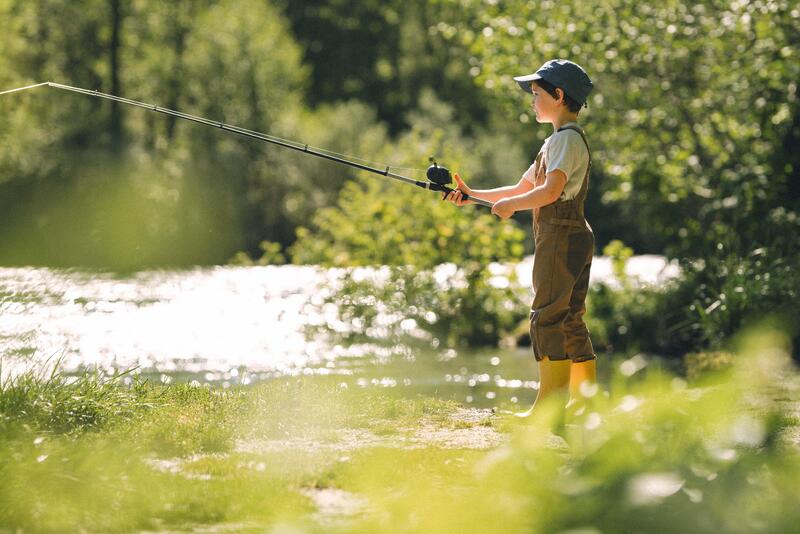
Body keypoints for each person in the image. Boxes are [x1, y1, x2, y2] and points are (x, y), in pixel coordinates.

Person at [445, 59, 596, 416]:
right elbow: (520, 187)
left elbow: (548, 191)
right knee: (571, 318)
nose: (532, 100)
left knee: (546, 317)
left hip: (560, 238)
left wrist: (512, 206)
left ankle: (551, 407)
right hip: (573, 236)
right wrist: (473, 195)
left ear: (558, 95)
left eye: (536, 93)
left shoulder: (563, 141)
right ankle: (584, 404)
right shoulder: (557, 142)